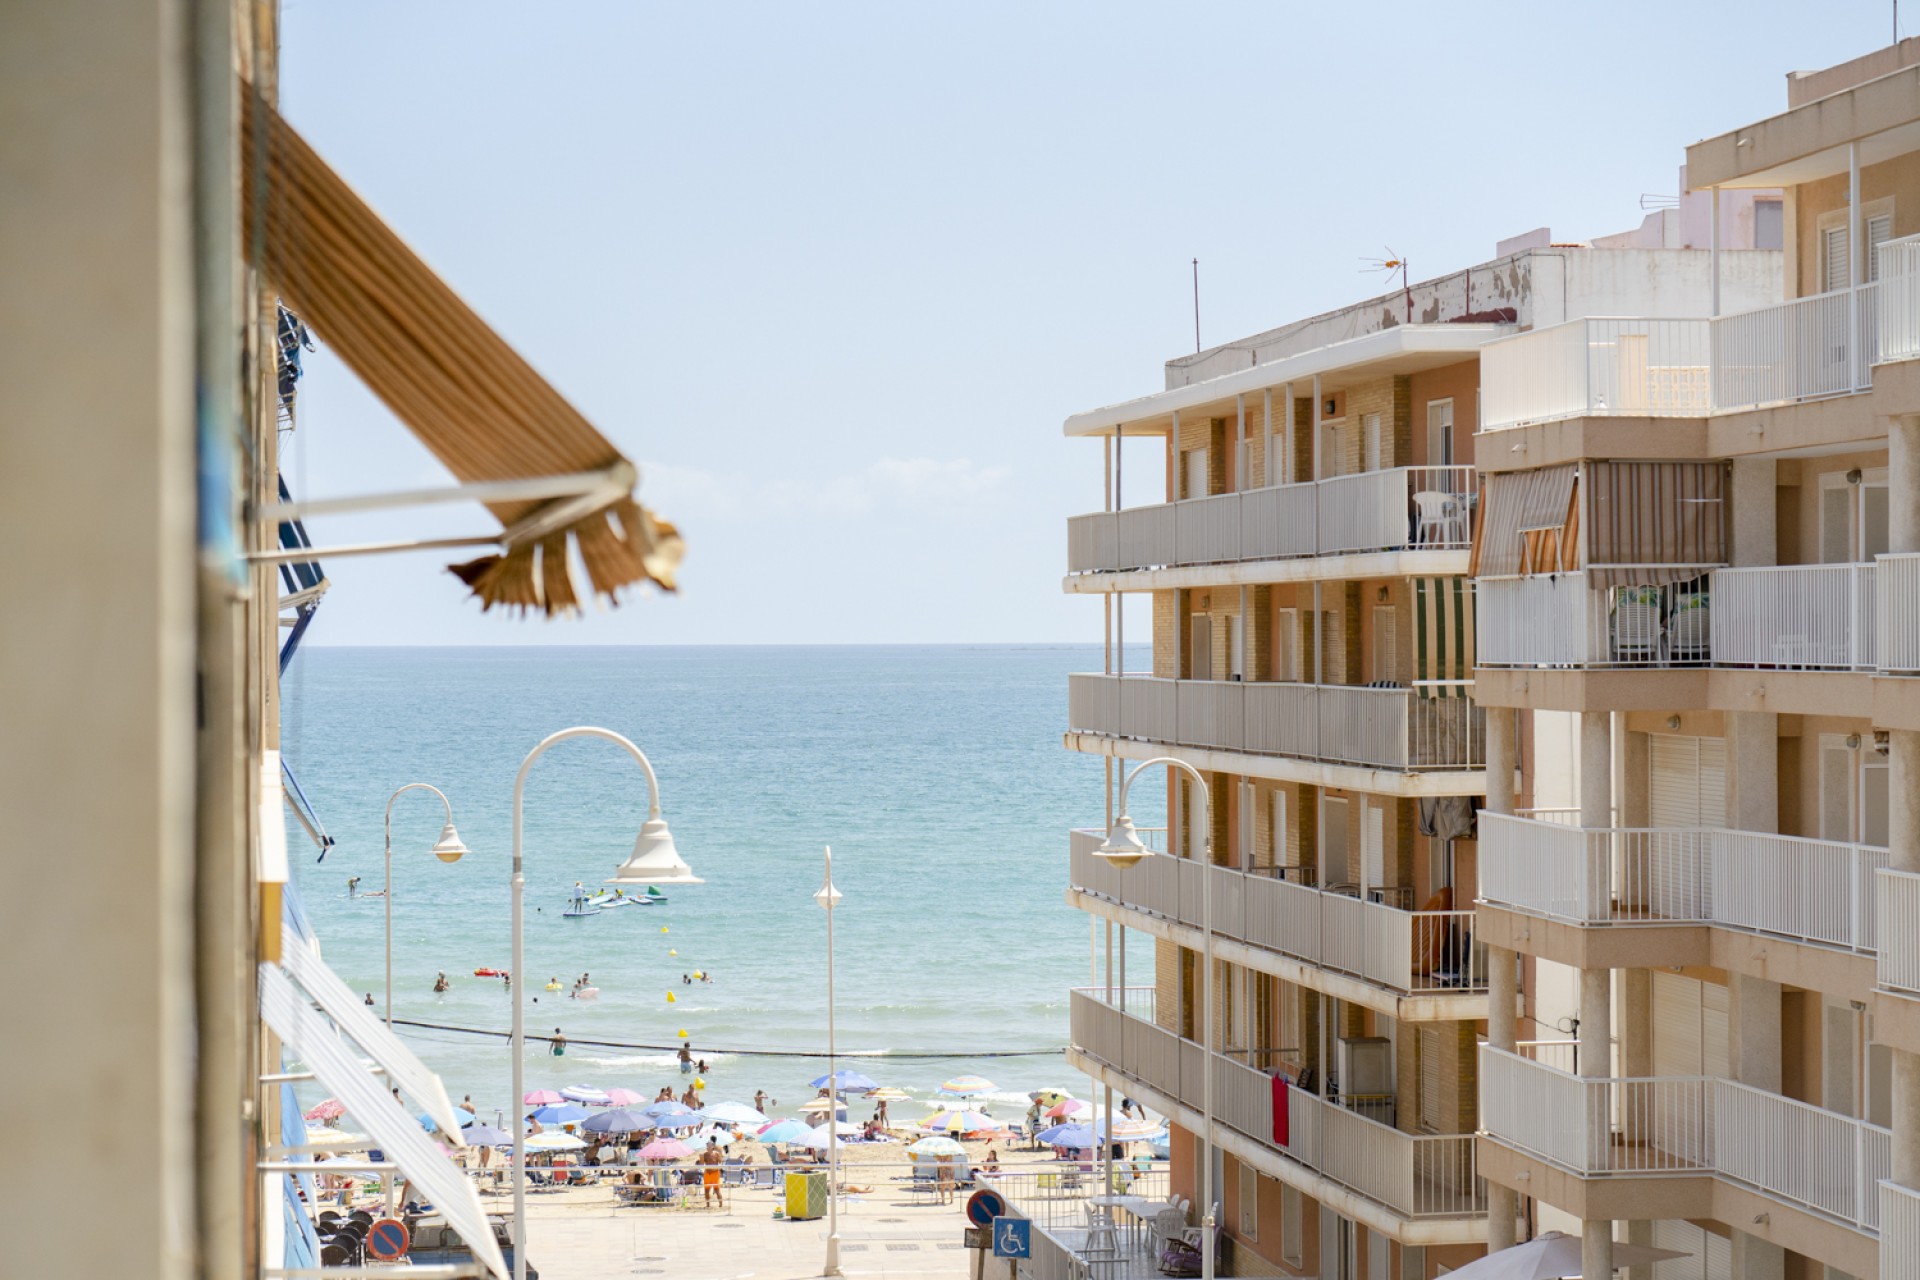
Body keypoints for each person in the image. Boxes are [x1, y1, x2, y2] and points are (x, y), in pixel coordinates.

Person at [697, 1138, 726, 1207]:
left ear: (712, 1146)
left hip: (715, 1173)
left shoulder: (716, 1153)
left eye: (709, 1145)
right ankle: (708, 1205)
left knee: (717, 1189)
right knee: (706, 1190)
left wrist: (719, 1166)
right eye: (707, 1145)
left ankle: (721, 1205)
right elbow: (701, 1165)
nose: (708, 1147)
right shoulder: (704, 1154)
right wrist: (701, 1158)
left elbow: (721, 1162)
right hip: (707, 1173)